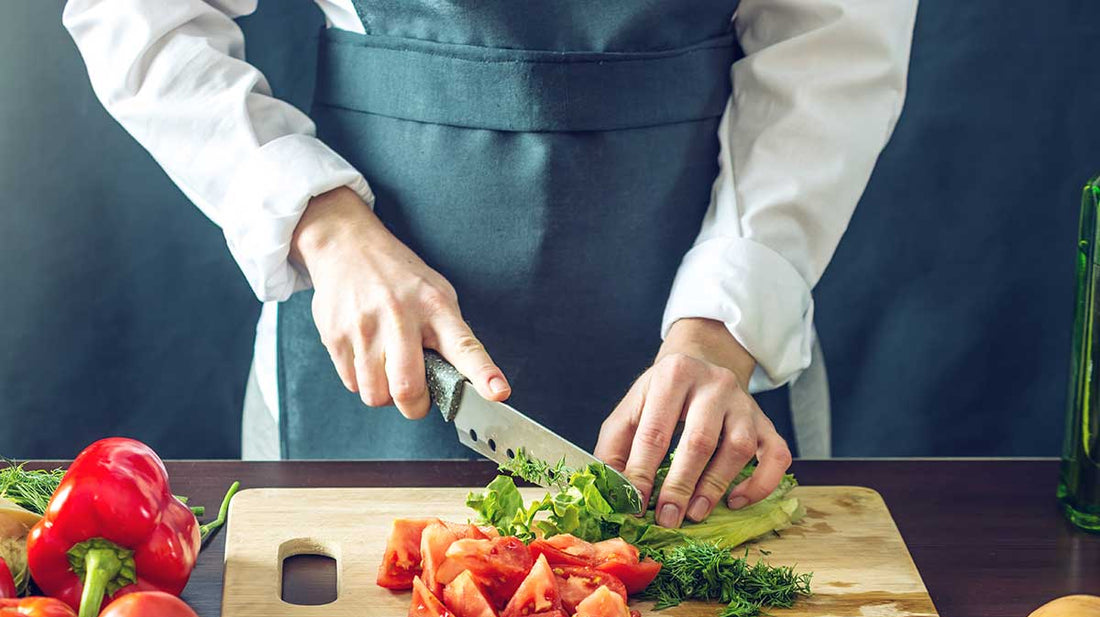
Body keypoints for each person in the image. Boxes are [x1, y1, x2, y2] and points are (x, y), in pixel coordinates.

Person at [63, 0, 917, 529]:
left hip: (706, 304)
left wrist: (726, 324)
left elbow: (833, 43)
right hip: (371, 310)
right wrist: (320, 221)